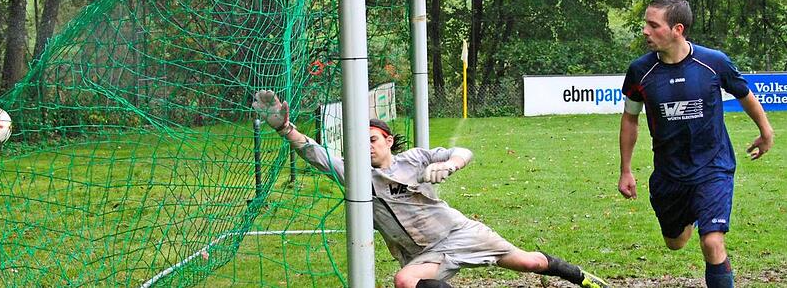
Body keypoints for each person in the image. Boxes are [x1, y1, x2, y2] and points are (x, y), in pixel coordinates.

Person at [253, 89, 608, 288]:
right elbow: (313, 151)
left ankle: (585, 279)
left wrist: (448, 165)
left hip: (459, 233)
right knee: (405, 281)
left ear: (388, 140)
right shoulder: (353, 173)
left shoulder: (416, 158)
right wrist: (285, 128)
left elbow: (463, 151)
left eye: (373, 139)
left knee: (529, 263)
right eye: (359, 141)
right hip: (422, 253)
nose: (367, 145)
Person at [618, 0, 775, 288]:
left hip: (713, 167)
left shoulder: (714, 62)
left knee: (712, 242)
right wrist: (626, 169)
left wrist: (766, 131)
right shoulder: (640, 71)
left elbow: (745, 95)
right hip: (669, 173)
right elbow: (630, 119)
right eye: (645, 24)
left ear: (678, 29)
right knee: (675, 242)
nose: (645, 31)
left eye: (653, 25)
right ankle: (689, 216)